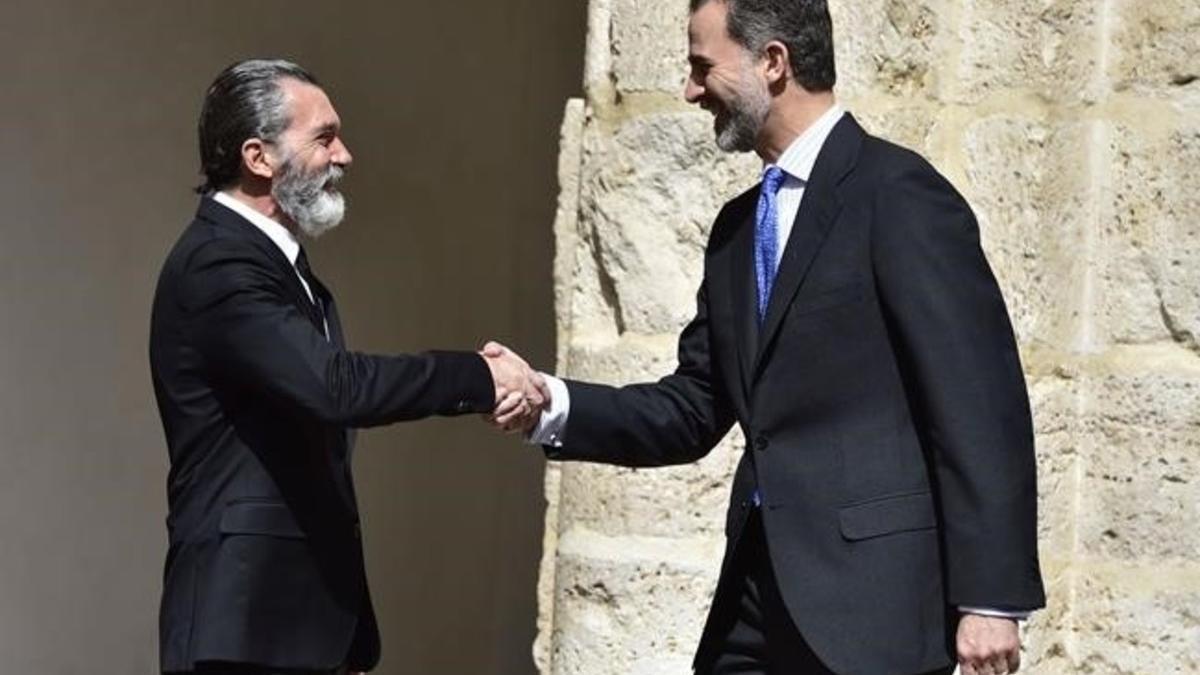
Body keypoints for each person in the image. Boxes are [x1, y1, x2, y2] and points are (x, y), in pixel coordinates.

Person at [490, 1, 1046, 673]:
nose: (691, 91)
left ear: (773, 62)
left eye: (703, 66)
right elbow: (692, 407)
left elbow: (978, 403)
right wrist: (548, 401)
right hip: (753, 608)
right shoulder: (735, 231)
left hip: (875, 617)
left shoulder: (897, 194)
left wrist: (990, 596)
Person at [150, 59, 539, 675]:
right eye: (324, 137)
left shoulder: (280, 269)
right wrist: (479, 377)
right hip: (245, 628)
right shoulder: (219, 265)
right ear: (259, 157)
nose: (345, 155)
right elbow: (336, 387)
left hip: (295, 629)